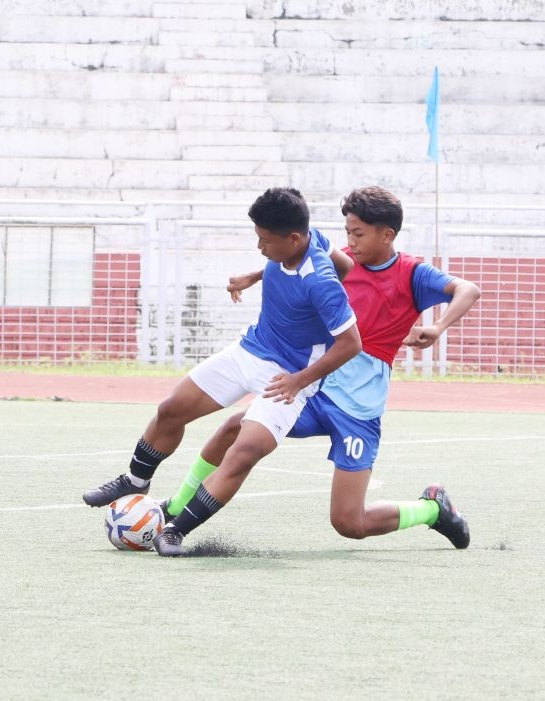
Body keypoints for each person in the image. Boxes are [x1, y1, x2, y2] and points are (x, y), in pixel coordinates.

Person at [161, 186, 482, 550]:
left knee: (349, 522)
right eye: (348, 232)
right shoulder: (343, 260)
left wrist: (438, 327)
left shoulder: (413, 274)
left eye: (358, 234)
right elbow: (297, 261)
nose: (351, 241)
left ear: (387, 235)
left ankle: (431, 509)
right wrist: (255, 275)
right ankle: (175, 508)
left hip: (358, 407)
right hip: (314, 387)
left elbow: (468, 289)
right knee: (236, 429)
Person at [82, 187, 362, 556]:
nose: (260, 247)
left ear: (293, 238)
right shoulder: (308, 239)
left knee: (243, 452)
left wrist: (299, 381)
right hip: (248, 350)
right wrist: (255, 276)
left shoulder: (321, 284)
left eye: (264, 241)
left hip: (288, 378)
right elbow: (348, 265)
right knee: (171, 410)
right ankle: (135, 480)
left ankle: (174, 532)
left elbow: (351, 344)